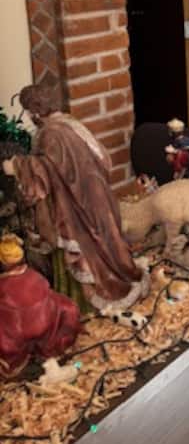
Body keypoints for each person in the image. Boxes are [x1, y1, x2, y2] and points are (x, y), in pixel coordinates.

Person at [2, 85, 148, 314]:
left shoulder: (52, 133)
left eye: (28, 111)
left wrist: (18, 166)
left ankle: (89, 301)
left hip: (77, 204)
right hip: (96, 195)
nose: (28, 116)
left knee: (89, 248)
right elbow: (103, 159)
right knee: (104, 241)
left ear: (35, 111)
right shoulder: (71, 123)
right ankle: (118, 275)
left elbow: (48, 169)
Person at [0, 232, 81, 380]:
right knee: (66, 306)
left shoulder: (4, 284)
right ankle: (57, 356)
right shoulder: (33, 275)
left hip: (20, 332)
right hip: (43, 326)